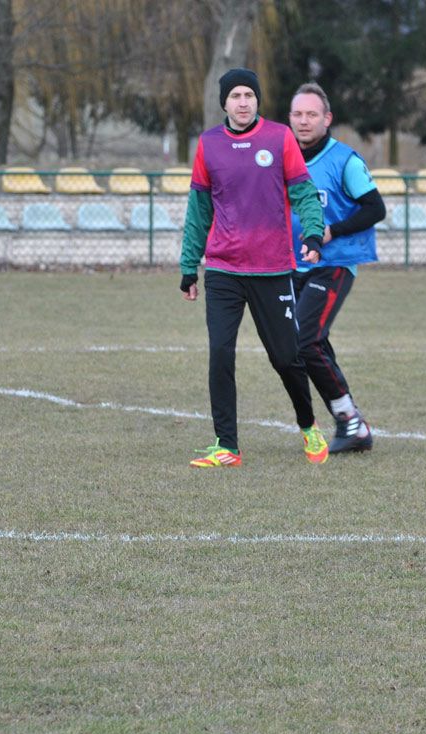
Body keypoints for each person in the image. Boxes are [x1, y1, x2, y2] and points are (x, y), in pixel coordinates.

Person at [179, 68, 330, 467]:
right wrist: (189, 266)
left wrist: (313, 235)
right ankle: (227, 446)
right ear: (224, 103)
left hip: (272, 268)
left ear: (257, 100)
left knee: (285, 357)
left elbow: (305, 195)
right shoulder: (209, 144)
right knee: (220, 353)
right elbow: (198, 211)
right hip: (223, 269)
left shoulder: (280, 138)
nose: (243, 102)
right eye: (236, 96)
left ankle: (308, 425)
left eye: (249, 95)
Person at [287, 82, 385, 454]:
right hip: (294, 264)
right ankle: (351, 421)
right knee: (308, 342)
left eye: (312, 114)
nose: (304, 121)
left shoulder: (345, 160)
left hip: (335, 263)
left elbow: (375, 208)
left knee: (305, 339)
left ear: (327, 119)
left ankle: (351, 421)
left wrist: (333, 231)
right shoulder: (283, 158)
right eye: (298, 114)